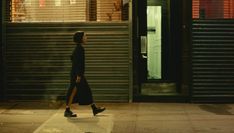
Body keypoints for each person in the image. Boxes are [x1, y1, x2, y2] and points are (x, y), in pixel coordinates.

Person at [64, 31, 105, 117]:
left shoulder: (79, 48)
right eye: (85, 36)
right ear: (81, 38)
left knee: (87, 91)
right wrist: (78, 75)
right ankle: (67, 110)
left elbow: (73, 59)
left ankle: (94, 108)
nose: (87, 38)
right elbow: (79, 63)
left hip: (78, 74)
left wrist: (79, 74)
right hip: (77, 75)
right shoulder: (80, 49)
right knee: (72, 91)